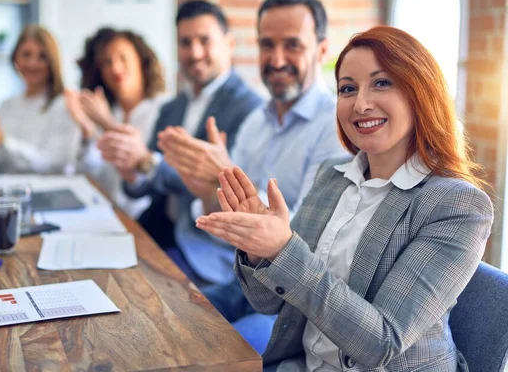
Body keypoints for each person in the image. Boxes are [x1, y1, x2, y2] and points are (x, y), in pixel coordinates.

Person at [196, 25, 493, 371]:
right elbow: (267, 304)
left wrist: (284, 252)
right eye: (347, 89)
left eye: (382, 83)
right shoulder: (332, 177)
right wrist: (259, 251)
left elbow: (382, 343)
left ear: (420, 92)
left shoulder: (456, 205)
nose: (361, 104)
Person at [156, 0, 348, 353]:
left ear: (322, 51)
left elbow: (305, 239)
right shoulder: (255, 124)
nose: (276, 59)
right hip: (244, 281)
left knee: (215, 351)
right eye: (266, 44)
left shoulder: (334, 125)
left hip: (295, 301)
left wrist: (222, 176)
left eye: (292, 45)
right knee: (163, 320)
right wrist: (206, 188)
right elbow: (224, 228)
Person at [98, 0, 262, 261]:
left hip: (201, 247)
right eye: (185, 43)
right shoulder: (172, 107)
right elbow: (146, 186)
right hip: (156, 229)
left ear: (229, 44)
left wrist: (147, 162)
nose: (194, 52)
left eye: (204, 41)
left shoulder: (250, 109)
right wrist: (131, 171)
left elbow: (221, 188)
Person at [65, 28, 168, 218]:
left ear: (141, 61)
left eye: (123, 58)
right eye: (107, 62)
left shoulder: (165, 108)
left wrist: (106, 123)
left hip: (147, 223)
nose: (115, 68)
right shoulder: (107, 109)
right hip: (102, 214)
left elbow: (150, 179)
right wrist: (87, 131)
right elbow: (85, 174)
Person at [0, 25, 81, 174]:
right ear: (15, 59)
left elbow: (53, 164)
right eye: (26, 55)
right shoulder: (6, 106)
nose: (32, 63)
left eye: (42, 57)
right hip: (7, 193)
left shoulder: (64, 106)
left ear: (52, 62)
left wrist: (3, 142)